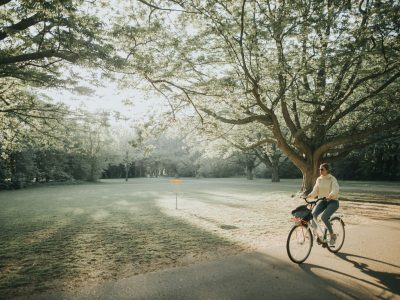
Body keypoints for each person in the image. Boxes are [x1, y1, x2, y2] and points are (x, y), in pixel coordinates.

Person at [306, 163, 340, 245]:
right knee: (313, 215)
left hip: (333, 201)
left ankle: (332, 235)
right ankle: (316, 234)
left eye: (322, 169)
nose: (320, 171)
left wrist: (330, 195)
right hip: (322, 201)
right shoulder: (319, 179)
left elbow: (335, 189)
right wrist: (309, 195)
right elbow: (315, 190)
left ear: (327, 170)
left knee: (324, 217)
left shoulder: (332, 179)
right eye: (319, 169)